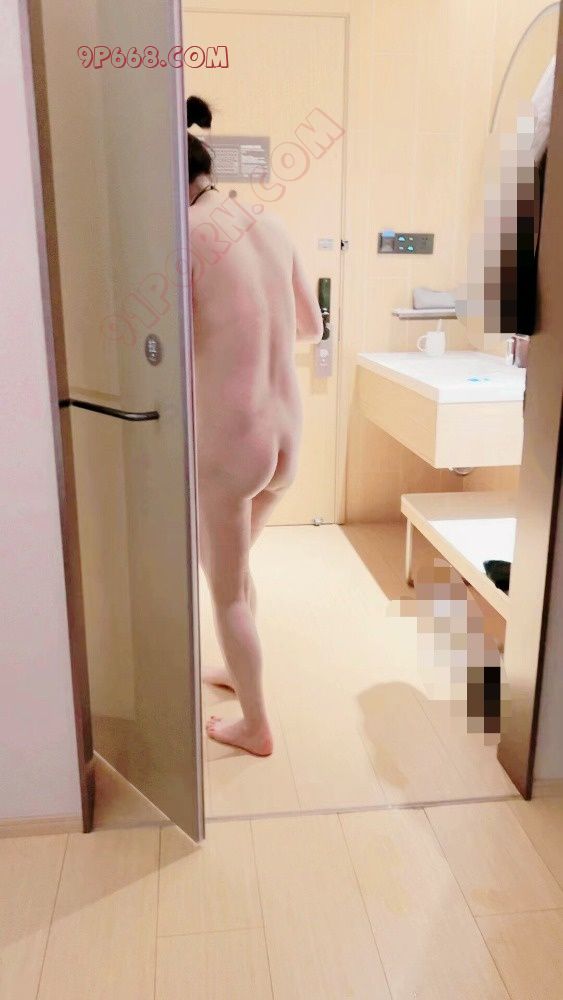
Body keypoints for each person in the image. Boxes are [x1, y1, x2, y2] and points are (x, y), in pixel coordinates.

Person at [187, 96, 323, 756]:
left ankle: (256, 725)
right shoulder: (267, 221)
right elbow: (311, 325)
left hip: (231, 444)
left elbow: (163, 350)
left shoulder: (184, 235)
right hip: (286, 434)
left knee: (226, 591)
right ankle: (238, 672)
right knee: (233, 572)